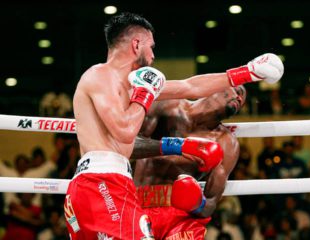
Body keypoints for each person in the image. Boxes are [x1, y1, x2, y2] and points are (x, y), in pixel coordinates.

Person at [65, 11, 283, 240]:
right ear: (136, 44)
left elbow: (190, 87)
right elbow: (125, 130)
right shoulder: (101, 75)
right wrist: (144, 95)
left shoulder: (126, 84)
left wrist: (246, 73)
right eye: (151, 46)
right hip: (102, 183)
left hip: (109, 182)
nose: (153, 55)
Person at [131, 86, 246, 239]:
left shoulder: (226, 143)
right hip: (137, 204)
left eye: (242, 98)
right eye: (238, 91)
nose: (239, 98)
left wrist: (197, 203)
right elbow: (128, 147)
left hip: (181, 218)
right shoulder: (167, 105)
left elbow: (210, 203)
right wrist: (178, 147)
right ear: (218, 84)